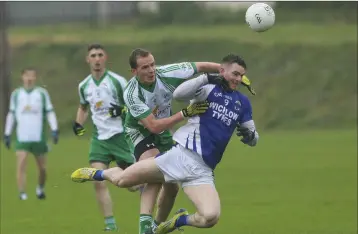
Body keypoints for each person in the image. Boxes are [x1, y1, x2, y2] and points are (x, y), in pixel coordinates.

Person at [71, 53, 259, 233]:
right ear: (134, 71)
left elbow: (253, 136)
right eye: (235, 74)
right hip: (174, 151)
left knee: (211, 217)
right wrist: (207, 79)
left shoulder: (243, 102)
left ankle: (172, 222)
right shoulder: (207, 88)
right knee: (123, 180)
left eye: (241, 75)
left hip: (202, 170)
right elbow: (177, 96)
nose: (238, 79)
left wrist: (251, 137)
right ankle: (99, 174)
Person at [72, 43, 135, 231]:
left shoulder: (117, 81)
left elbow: (133, 105)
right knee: (97, 180)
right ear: (88, 59)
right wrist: (78, 124)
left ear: (105, 57)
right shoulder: (84, 85)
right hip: (99, 140)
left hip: (120, 136)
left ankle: (152, 195)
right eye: (93, 55)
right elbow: (83, 107)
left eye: (100, 55)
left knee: (131, 183)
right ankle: (110, 225)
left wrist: (121, 109)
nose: (97, 59)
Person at [3, 68, 59, 201]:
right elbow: (11, 114)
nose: (29, 78)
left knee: (42, 168)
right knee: (21, 165)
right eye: (26, 76)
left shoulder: (42, 93)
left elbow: (49, 111)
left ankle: (40, 188)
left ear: (35, 78)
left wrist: (55, 129)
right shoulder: (16, 95)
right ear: (22, 77)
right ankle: (22, 193)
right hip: (22, 137)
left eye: (32, 76)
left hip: (38, 137)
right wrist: (7, 133)